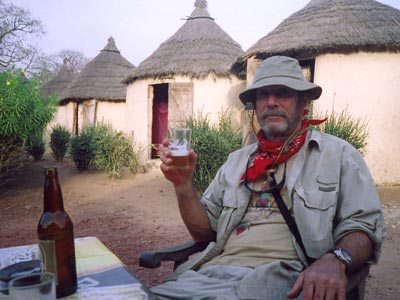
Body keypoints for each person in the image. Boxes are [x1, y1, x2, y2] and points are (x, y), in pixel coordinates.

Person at [153, 56, 385, 300]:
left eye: (282, 93)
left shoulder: (338, 155)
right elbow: (203, 233)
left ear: (303, 101)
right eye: (263, 95)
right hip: (209, 275)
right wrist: (183, 185)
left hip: (285, 279)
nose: (271, 102)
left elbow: (364, 226)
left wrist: (336, 259)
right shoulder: (236, 162)